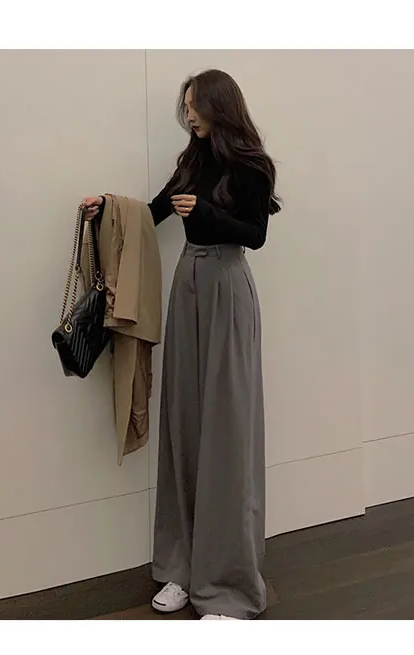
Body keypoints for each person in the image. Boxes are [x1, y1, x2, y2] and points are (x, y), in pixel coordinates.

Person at [82, 68, 280, 620]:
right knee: (185, 424)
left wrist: (209, 214)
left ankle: (229, 585)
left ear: (219, 105)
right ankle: (183, 568)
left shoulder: (252, 166)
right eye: (185, 106)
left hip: (227, 288)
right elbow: (151, 214)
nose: (188, 114)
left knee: (227, 431)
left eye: (195, 106)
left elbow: (256, 235)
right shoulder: (192, 161)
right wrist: (106, 209)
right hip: (187, 284)